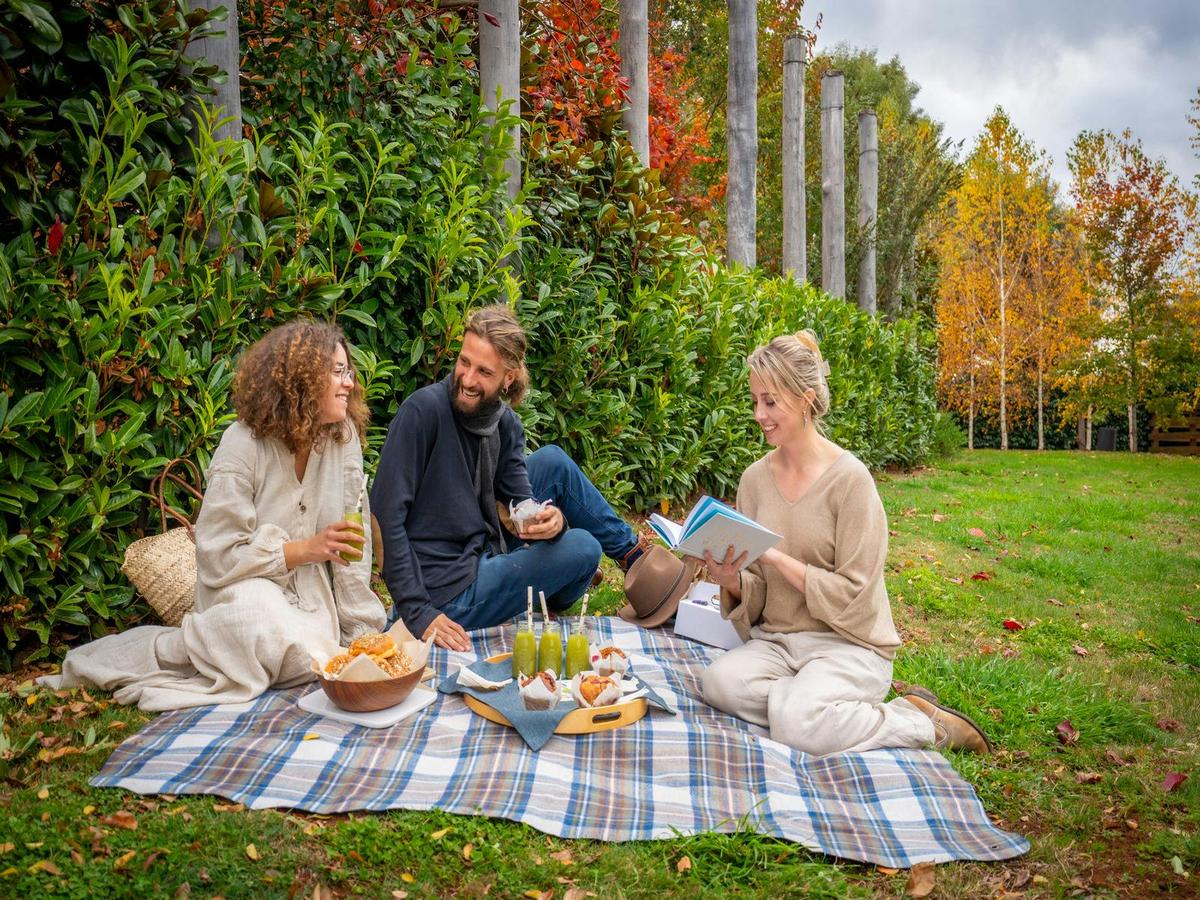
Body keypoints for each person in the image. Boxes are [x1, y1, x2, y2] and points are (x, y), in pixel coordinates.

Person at [53, 321, 386, 710]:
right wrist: (303, 550)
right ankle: (192, 646)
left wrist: (361, 633)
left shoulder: (340, 438)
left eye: (349, 371)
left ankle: (293, 646)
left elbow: (352, 550)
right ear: (303, 380)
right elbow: (217, 556)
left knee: (311, 649)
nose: (350, 382)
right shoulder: (243, 443)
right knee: (262, 624)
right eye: (338, 372)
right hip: (242, 589)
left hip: (309, 600)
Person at [700, 331, 991, 756]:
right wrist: (733, 582)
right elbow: (760, 593)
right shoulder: (753, 481)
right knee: (718, 684)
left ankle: (922, 723)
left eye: (771, 401)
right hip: (780, 644)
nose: (759, 414)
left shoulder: (851, 481)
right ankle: (811, 709)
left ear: (805, 399)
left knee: (796, 727)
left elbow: (857, 597)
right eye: (755, 401)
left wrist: (778, 557)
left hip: (849, 646)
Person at [371, 304, 649, 651]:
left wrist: (555, 524)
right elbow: (384, 516)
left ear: (509, 377)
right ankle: (559, 576)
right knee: (585, 547)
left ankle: (633, 559)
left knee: (552, 463)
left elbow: (522, 504)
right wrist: (418, 611)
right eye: (464, 362)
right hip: (445, 588)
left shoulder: (505, 424)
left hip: (483, 544)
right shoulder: (422, 412)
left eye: (484, 372)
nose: (468, 380)